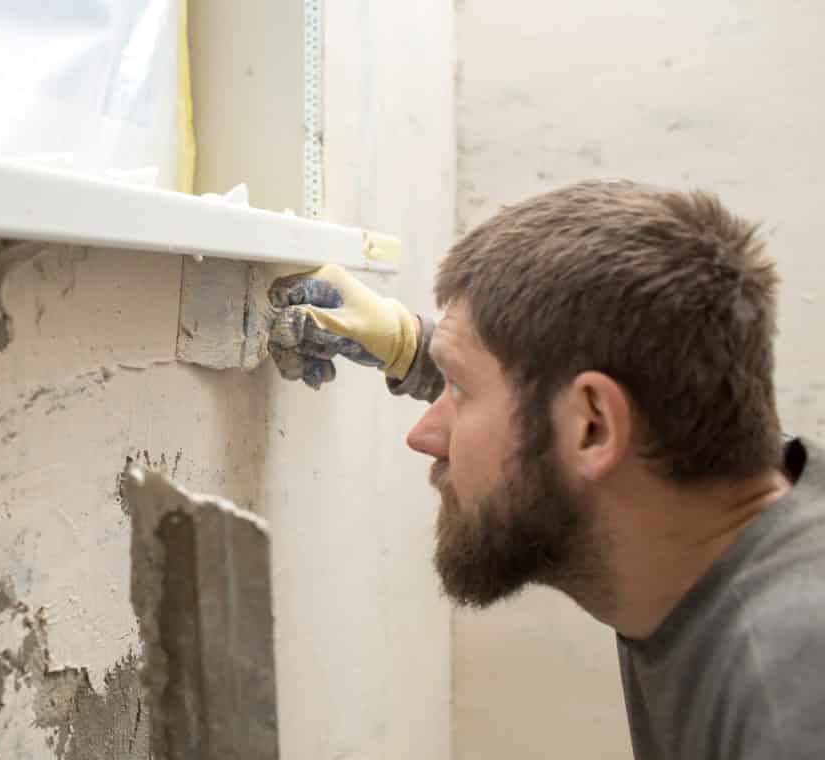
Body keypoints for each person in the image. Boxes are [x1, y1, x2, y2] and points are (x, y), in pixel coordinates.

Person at [267, 180, 825, 760]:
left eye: (459, 389)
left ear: (593, 427)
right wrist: (416, 349)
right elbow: (557, 414)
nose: (425, 436)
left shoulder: (788, 704)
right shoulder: (736, 501)